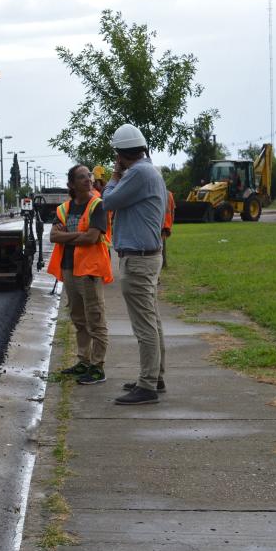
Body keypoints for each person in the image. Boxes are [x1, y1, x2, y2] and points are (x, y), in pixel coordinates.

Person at [101, 123, 168, 405]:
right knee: (152, 320)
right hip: (148, 256)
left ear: (120, 154)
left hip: (138, 260)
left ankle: (147, 385)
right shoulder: (150, 171)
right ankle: (155, 376)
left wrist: (115, 176)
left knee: (144, 325)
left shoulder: (137, 172)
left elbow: (108, 201)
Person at [48, 165, 113, 385]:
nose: (88, 180)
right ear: (72, 184)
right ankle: (83, 361)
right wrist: (80, 235)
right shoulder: (64, 209)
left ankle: (97, 367)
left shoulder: (97, 205)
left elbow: (92, 238)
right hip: (68, 269)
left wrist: (70, 236)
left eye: (89, 176)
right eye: (82, 177)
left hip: (89, 270)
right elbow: (54, 237)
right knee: (79, 319)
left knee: (95, 319)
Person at [161, 189, 175, 269]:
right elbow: (173, 210)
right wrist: (171, 223)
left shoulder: (153, 191)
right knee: (162, 243)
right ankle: (163, 263)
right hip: (166, 222)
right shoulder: (169, 193)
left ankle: (162, 264)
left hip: (158, 222)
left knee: (159, 245)